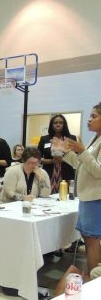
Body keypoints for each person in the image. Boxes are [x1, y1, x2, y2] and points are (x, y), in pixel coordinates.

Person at [53, 102, 101, 274]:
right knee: (89, 239)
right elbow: (80, 165)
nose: (89, 120)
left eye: (94, 116)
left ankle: (94, 280)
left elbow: (98, 171)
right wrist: (66, 152)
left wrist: (81, 151)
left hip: (96, 198)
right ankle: (94, 276)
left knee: (92, 239)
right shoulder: (95, 138)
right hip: (88, 196)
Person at [37, 114, 77, 193]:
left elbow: (76, 158)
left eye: (60, 123)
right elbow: (37, 158)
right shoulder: (44, 139)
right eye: (55, 123)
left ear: (64, 124)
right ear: (51, 125)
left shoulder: (71, 138)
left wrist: (63, 159)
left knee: (66, 198)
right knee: (46, 196)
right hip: (49, 173)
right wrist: (51, 161)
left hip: (67, 173)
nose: (58, 124)